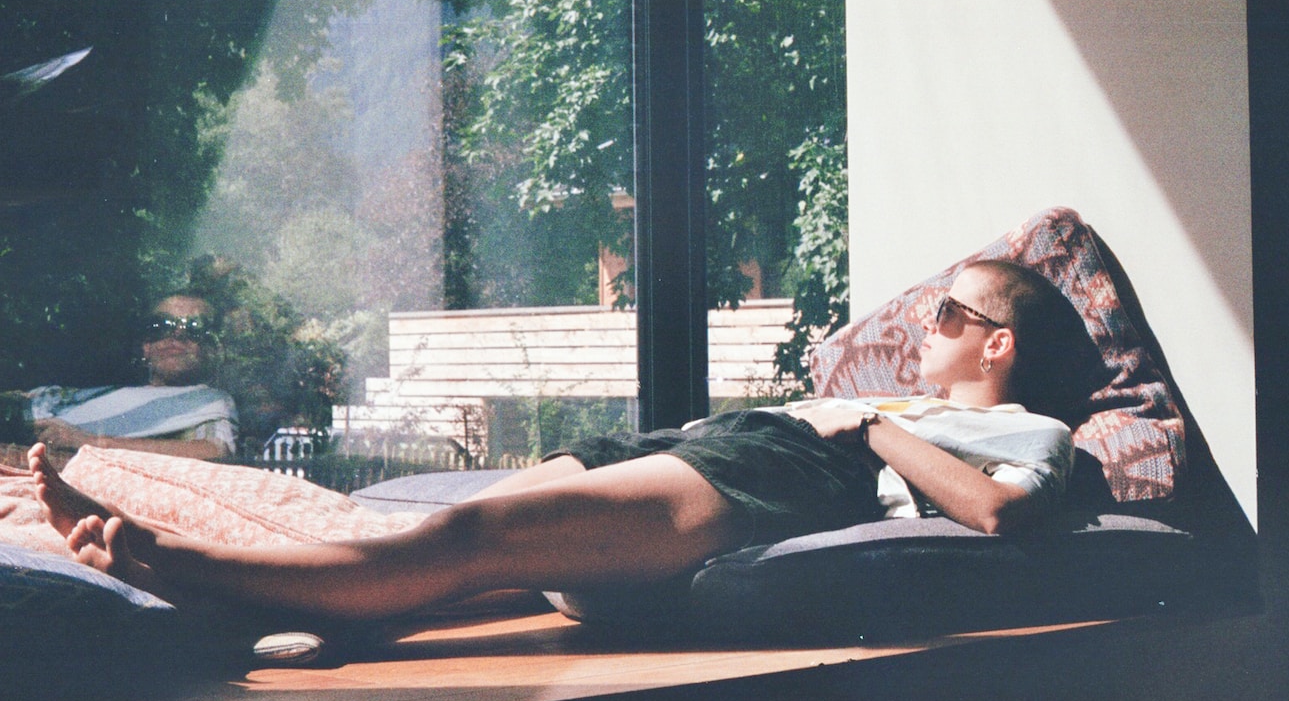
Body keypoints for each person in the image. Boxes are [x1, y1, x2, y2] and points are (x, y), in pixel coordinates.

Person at [24, 261, 1084, 622]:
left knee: (473, 537)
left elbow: (1004, 509)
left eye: (947, 313)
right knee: (435, 519)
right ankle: (182, 529)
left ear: (996, 344)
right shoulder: (918, 399)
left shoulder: (1026, 424)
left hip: (781, 467)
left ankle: (181, 564)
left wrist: (869, 426)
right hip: (732, 436)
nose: (922, 324)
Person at [27, 294, 239, 460]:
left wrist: (88, 441)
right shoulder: (101, 395)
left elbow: (214, 451)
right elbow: (25, 405)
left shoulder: (207, 402)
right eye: (161, 326)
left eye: (195, 328)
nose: (176, 336)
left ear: (211, 349)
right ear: (146, 347)